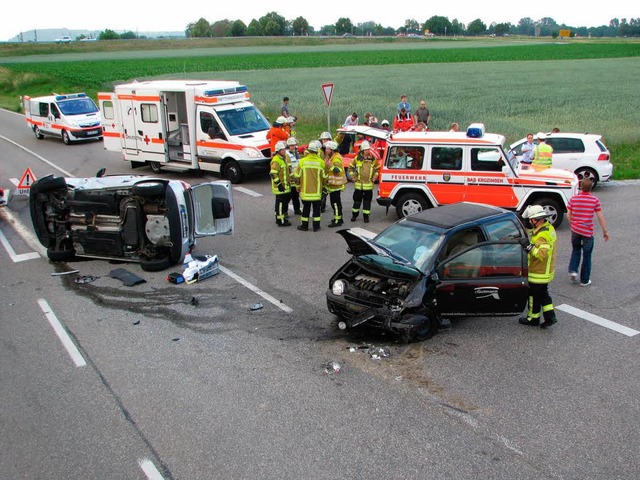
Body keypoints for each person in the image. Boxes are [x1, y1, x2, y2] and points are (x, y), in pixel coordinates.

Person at [518, 205, 558, 329]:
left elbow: (542, 254)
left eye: (531, 220)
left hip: (538, 272)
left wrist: (528, 247)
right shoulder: (548, 228)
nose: (530, 222)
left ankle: (533, 318)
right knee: (543, 294)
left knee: (534, 296)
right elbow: (534, 233)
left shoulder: (542, 235)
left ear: (536, 219)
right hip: (546, 270)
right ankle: (550, 317)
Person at [567, 177, 610, 286]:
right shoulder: (594, 200)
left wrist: (572, 223)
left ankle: (573, 270)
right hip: (587, 232)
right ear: (591, 188)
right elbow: (600, 217)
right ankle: (584, 280)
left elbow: (569, 214)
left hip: (575, 230)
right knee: (587, 255)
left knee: (576, 249)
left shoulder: (573, 199)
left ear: (581, 187)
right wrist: (605, 231)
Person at [294, 140, 326, 232]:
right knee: (316, 210)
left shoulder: (302, 161)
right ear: (316, 151)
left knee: (305, 209)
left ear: (308, 151)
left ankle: (304, 226)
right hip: (317, 192)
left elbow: (297, 176)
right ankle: (316, 227)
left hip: (305, 191)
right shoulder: (321, 162)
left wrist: (298, 185)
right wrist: (324, 186)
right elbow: (324, 177)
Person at [348, 140, 380, 223]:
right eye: (366, 150)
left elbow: (377, 169)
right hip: (359, 186)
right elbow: (350, 168)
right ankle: (354, 216)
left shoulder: (373, 159)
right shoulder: (357, 159)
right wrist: (353, 177)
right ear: (362, 150)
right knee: (356, 203)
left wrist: (375, 177)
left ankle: (366, 217)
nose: (368, 151)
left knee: (367, 203)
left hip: (368, 186)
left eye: (368, 149)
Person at [324, 141, 347, 227]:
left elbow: (338, 170)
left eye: (327, 149)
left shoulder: (336, 158)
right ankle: (339, 218)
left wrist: (330, 166)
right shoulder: (333, 156)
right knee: (336, 203)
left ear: (332, 150)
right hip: (334, 185)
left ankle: (338, 221)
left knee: (335, 204)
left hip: (336, 186)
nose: (326, 150)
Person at [269, 141, 292, 227]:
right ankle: (281, 221)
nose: (285, 151)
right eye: (283, 150)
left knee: (281, 204)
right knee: (280, 204)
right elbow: (273, 173)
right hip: (280, 188)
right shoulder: (276, 160)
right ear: (278, 151)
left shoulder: (282, 159)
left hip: (284, 186)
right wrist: (279, 185)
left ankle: (279, 218)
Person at [286, 137, 302, 215]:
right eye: (292, 145)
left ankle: (297, 209)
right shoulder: (287, 154)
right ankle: (284, 212)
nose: (293, 147)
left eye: (294, 145)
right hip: (291, 179)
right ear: (288, 146)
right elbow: (289, 168)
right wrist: (292, 177)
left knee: (296, 196)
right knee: (288, 197)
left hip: (296, 178)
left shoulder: (296, 153)